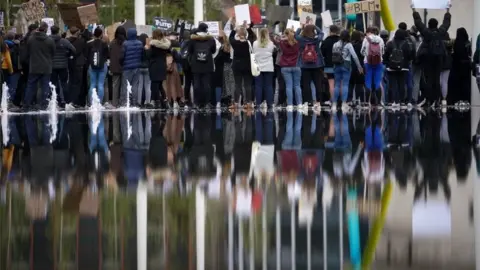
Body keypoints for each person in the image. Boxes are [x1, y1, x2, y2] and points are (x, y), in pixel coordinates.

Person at [412, 3, 451, 107]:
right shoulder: (440, 32)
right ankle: (437, 100)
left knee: (428, 79)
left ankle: (429, 100)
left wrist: (414, 10)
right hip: (439, 58)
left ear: (428, 24)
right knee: (437, 79)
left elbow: (418, 23)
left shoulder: (426, 32)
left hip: (428, 58)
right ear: (437, 24)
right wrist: (447, 11)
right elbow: (446, 24)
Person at [24, 22, 55, 111]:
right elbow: (53, 52)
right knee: (45, 85)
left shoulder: (31, 39)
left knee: (30, 86)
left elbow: (28, 51)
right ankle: (44, 105)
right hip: (46, 67)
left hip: (34, 66)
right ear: (45, 29)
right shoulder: (49, 40)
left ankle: (27, 104)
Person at [331, 30, 363, 112]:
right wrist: (359, 66)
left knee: (337, 85)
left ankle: (334, 104)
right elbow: (355, 56)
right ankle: (344, 103)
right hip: (346, 65)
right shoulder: (349, 45)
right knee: (345, 84)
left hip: (336, 65)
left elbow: (333, 54)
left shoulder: (335, 44)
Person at [295, 23, 325, 108]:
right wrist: (315, 26)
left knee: (306, 84)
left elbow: (295, 35)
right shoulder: (316, 39)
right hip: (316, 64)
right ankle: (318, 102)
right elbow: (321, 33)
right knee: (318, 84)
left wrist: (300, 27)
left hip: (304, 65)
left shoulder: (301, 39)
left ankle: (307, 102)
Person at [188, 23, 217, 110]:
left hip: (196, 65)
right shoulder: (211, 39)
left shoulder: (193, 39)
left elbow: (190, 51)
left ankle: (197, 103)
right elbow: (213, 51)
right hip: (207, 65)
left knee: (196, 84)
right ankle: (207, 102)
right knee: (206, 85)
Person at [383, 29, 413, 107]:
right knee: (402, 84)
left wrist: (388, 64)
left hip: (391, 67)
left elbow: (385, 56)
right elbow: (410, 56)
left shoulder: (389, 44)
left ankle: (393, 101)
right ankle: (402, 101)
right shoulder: (406, 44)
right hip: (403, 68)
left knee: (393, 84)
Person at [229, 21, 255, 110]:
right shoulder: (249, 43)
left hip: (237, 66)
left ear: (238, 35)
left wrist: (234, 29)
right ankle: (248, 103)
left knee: (238, 85)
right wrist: (248, 28)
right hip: (247, 66)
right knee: (247, 85)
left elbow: (230, 38)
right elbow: (252, 36)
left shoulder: (235, 43)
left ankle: (236, 103)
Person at [50, 25, 76, 108]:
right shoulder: (64, 41)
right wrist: (68, 55)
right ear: (58, 31)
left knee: (53, 85)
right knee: (64, 84)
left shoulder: (48, 41)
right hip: (63, 66)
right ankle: (66, 102)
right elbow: (73, 49)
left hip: (52, 66)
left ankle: (55, 101)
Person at [146, 29, 171, 109]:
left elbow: (149, 55)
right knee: (159, 85)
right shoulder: (166, 45)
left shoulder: (153, 45)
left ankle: (154, 101)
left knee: (154, 85)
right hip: (162, 66)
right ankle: (165, 101)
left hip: (154, 66)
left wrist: (147, 48)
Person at [361, 26, 385, 106]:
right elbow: (383, 52)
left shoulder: (366, 39)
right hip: (378, 62)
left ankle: (367, 103)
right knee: (377, 82)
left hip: (368, 62)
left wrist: (367, 55)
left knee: (368, 82)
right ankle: (378, 103)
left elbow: (362, 51)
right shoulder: (380, 39)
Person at [279, 28, 302, 111]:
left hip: (285, 66)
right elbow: (299, 36)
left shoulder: (282, 43)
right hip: (296, 65)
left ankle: (290, 104)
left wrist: (284, 38)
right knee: (297, 85)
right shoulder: (298, 43)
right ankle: (299, 104)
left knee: (288, 86)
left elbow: (278, 39)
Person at [120, 28, 144, 107]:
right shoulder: (140, 43)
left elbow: (122, 56)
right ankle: (134, 102)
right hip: (137, 67)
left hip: (126, 67)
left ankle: (125, 102)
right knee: (135, 85)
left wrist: (121, 63)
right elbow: (142, 55)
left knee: (125, 85)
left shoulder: (125, 44)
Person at [86, 27, 109, 107]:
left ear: (94, 34)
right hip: (102, 66)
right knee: (100, 84)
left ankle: (92, 103)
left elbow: (87, 55)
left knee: (92, 84)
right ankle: (99, 103)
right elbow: (107, 55)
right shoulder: (104, 43)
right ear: (101, 34)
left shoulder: (89, 44)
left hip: (92, 66)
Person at [253, 28, 276, 108]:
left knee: (258, 86)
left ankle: (258, 103)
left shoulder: (255, 43)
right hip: (268, 67)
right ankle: (270, 103)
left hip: (258, 67)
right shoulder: (271, 43)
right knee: (268, 86)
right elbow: (272, 52)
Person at [66, 26, 88, 109]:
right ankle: (76, 101)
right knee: (78, 83)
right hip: (79, 64)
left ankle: (69, 100)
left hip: (70, 63)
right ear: (77, 32)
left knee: (71, 81)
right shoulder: (81, 41)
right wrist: (85, 29)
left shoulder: (67, 41)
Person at [449, 27, 472, 105]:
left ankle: (457, 100)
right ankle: (466, 100)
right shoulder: (468, 42)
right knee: (466, 84)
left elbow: (455, 54)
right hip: (466, 66)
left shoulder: (456, 42)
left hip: (457, 66)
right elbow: (469, 54)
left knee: (457, 84)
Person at [321, 25, 341, 101]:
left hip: (329, 65)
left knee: (331, 83)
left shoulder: (326, 41)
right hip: (340, 65)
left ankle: (333, 100)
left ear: (330, 31)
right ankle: (341, 100)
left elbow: (322, 54)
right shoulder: (341, 41)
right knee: (340, 83)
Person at [108, 26, 126, 107]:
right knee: (124, 86)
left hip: (114, 67)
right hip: (125, 67)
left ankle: (114, 103)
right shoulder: (126, 43)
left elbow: (109, 55)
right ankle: (123, 103)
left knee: (115, 86)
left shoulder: (112, 43)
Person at [3, 32, 20, 108]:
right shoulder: (13, 46)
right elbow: (10, 60)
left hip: (2, 68)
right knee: (11, 86)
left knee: (4, 86)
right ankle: (10, 102)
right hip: (10, 69)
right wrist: (12, 69)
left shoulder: (3, 45)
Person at [348, 31, 365, 106]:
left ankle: (349, 100)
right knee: (359, 84)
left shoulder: (349, 45)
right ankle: (359, 100)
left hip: (350, 67)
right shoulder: (361, 46)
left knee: (350, 85)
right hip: (360, 67)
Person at [137, 33, 151, 107]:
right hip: (147, 68)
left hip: (139, 67)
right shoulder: (148, 47)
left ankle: (139, 102)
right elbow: (149, 57)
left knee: (140, 85)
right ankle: (148, 102)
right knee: (147, 85)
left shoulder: (138, 47)